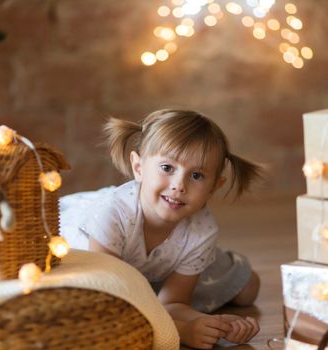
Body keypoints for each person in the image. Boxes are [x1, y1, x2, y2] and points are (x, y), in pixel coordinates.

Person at [69, 109, 265, 349]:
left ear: (214, 186)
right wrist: (183, 330)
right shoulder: (111, 215)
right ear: (138, 167)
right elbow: (112, 302)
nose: (179, 186)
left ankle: (208, 264)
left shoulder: (202, 229)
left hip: (154, 266)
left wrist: (212, 325)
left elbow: (173, 304)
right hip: (101, 277)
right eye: (167, 168)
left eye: (196, 175)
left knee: (248, 289)